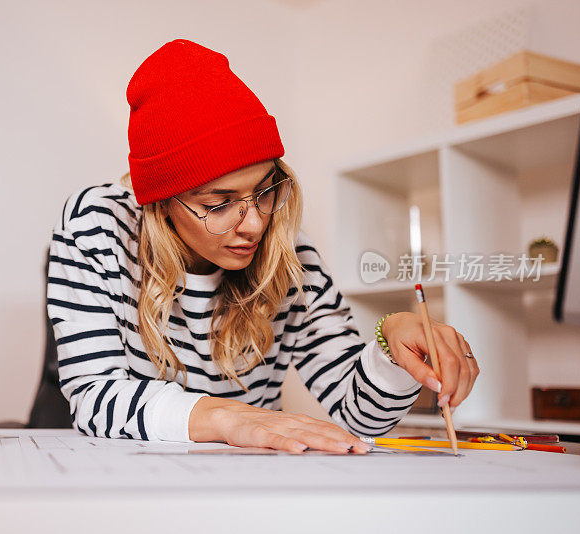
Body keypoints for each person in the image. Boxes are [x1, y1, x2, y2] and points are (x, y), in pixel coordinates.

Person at [46, 39, 479, 454]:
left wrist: (392, 349)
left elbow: (361, 417)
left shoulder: (289, 252)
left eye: (266, 190)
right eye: (219, 204)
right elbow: (95, 396)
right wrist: (229, 418)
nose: (254, 224)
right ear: (161, 204)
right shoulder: (98, 225)